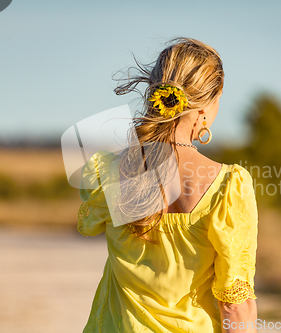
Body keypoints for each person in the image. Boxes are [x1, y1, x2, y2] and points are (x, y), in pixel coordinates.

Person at [77, 37, 259, 333]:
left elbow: (89, 225)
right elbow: (235, 304)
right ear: (204, 108)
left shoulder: (108, 171)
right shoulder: (227, 186)